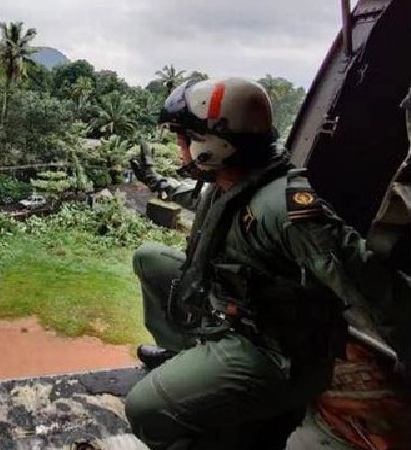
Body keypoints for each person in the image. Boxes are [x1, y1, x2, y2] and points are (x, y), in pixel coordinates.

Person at [125, 76, 410, 450]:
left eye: (184, 139)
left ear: (215, 144)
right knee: (149, 258)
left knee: (144, 409)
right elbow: (203, 203)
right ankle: (188, 361)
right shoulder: (233, 182)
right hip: (234, 311)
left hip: (274, 350)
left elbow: (369, 285)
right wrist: (153, 180)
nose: (180, 148)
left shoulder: (286, 207)